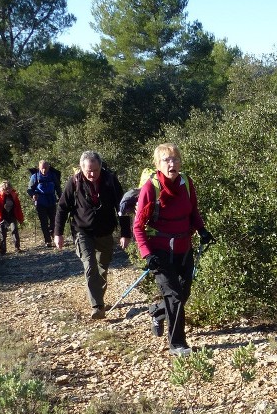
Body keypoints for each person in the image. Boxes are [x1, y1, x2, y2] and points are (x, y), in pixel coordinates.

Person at [133, 143, 214, 355]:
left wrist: (202, 229)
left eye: (175, 159)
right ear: (158, 165)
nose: (172, 164)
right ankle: (177, 344)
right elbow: (138, 225)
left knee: (183, 293)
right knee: (175, 296)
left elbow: (193, 211)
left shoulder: (186, 183)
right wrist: (147, 254)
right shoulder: (151, 188)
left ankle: (157, 312)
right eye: (166, 160)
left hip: (184, 248)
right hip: (160, 252)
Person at [54, 151, 130, 320]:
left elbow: (122, 207)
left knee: (103, 268)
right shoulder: (74, 182)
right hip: (82, 231)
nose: (92, 174)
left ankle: (98, 297)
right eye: (89, 170)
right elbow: (62, 208)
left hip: (105, 231)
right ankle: (97, 306)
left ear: (100, 167)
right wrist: (57, 233)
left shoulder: (110, 180)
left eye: (95, 170)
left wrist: (126, 233)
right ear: (82, 168)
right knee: (90, 266)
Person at [27, 160, 59, 247]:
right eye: (42, 168)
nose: (44, 170)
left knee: (54, 220)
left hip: (52, 200)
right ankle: (47, 240)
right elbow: (29, 189)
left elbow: (58, 187)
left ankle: (52, 233)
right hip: (40, 201)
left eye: (45, 168)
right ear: (39, 168)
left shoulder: (53, 175)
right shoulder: (35, 177)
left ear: (49, 167)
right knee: (43, 222)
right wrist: (33, 195)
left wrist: (61, 197)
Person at [0, 181, 24, 255]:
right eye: (5, 189)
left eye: (9, 188)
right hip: (2, 218)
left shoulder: (14, 196)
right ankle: (3, 251)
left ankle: (17, 248)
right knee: (2, 233)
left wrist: (20, 218)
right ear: (2, 189)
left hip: (12, 216)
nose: (7, 190)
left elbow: (18, 207)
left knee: (14, 230)